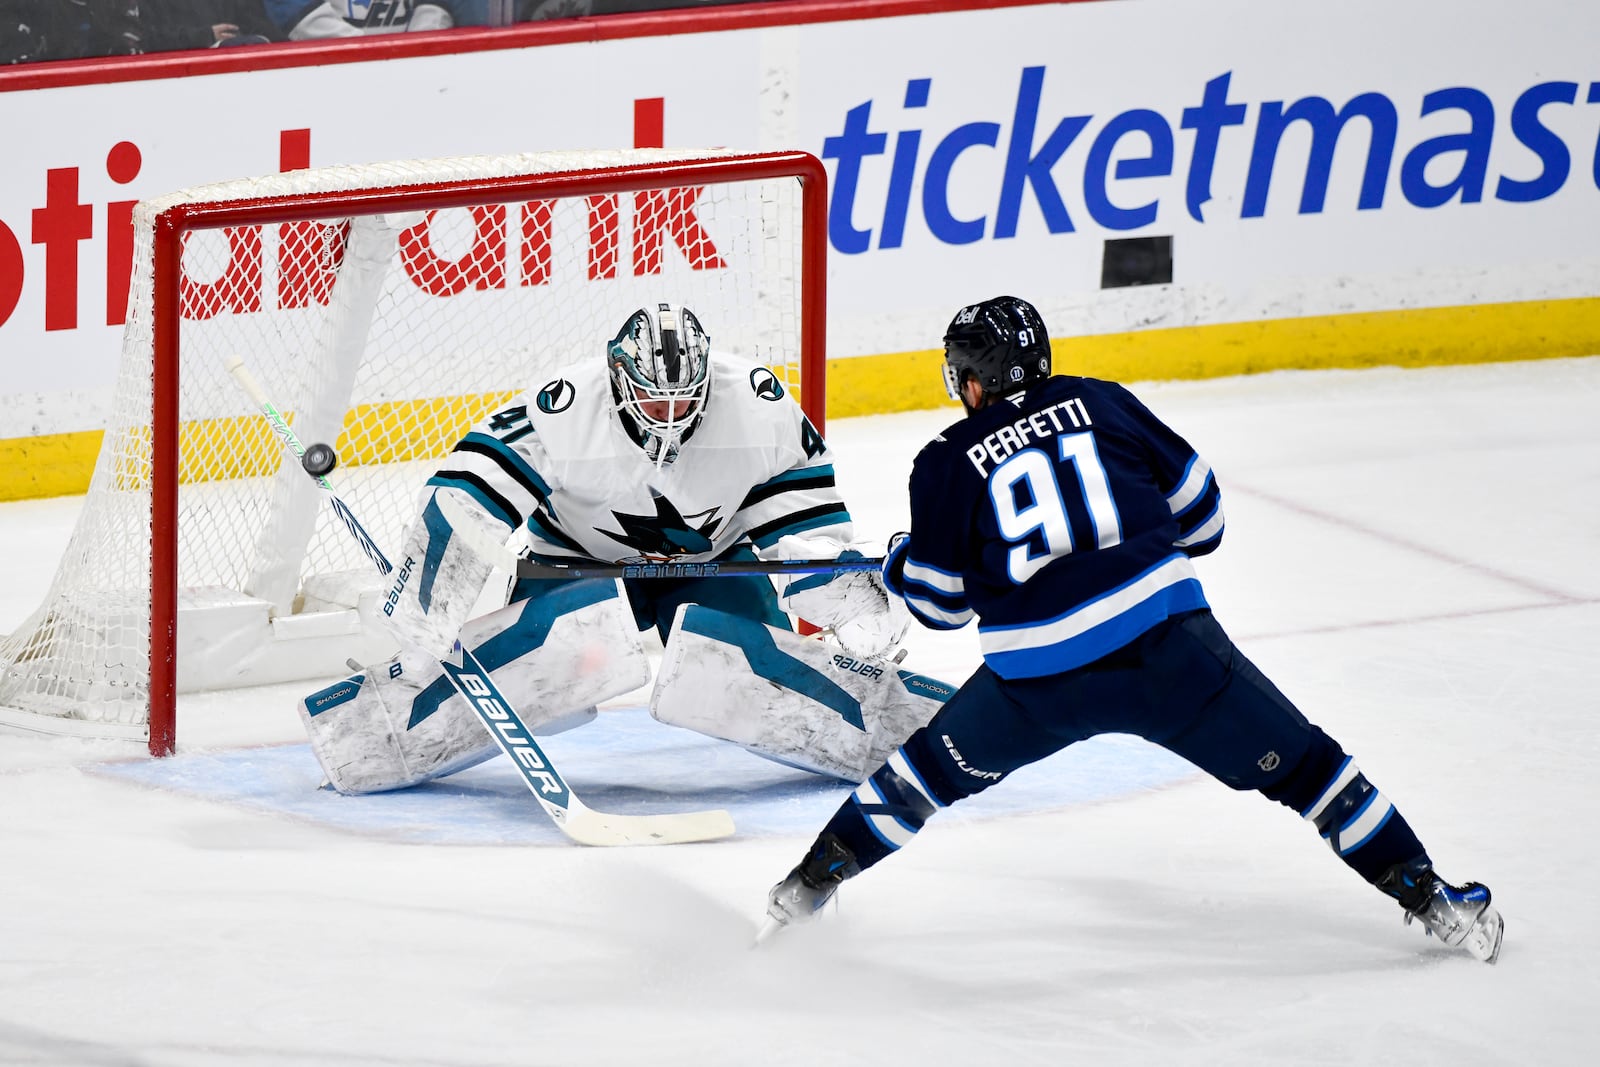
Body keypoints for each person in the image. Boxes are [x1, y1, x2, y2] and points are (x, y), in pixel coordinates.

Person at [761, 295, 1504, 964]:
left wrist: (899, 565)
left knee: (916, 780)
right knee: (1311, 771)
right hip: (1173, 657)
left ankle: (799, 895)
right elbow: (1206, 516)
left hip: (1036, 687)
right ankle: (1435, 900)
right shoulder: (1105, 403)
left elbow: (942, 605)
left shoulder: (946, 461)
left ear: (974, 381)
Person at [298, 302, 939, 796]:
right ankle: (384, 728)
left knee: (745, 665)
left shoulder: (757, 407)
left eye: (685, 399)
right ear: (618, 377)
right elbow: (465, 495)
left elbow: (802, 518)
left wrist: (849, 610)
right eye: (654, 396)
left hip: (709, 566)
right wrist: (425, 617)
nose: (670, 413)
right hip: (580, 567)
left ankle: (882, 727)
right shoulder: (563, 408)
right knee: (561, 665)